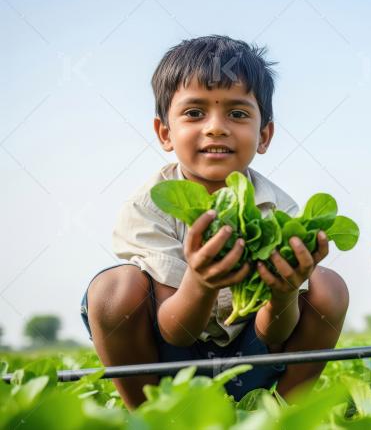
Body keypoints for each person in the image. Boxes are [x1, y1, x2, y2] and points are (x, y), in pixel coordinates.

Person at [80, 35, 348, 409]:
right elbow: (177, 331)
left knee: (328, 287)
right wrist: (202, 282)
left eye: (238, 114)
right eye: (194, 113)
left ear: (264, 135)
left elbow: (274, 335)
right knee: (113, 289)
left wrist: (285, 293)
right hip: (169, 361)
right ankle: (150, 415)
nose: (216, 127)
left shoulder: (278, 211)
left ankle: (282, 413)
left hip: (250, 359)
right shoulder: (149, 207)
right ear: (164, 133)